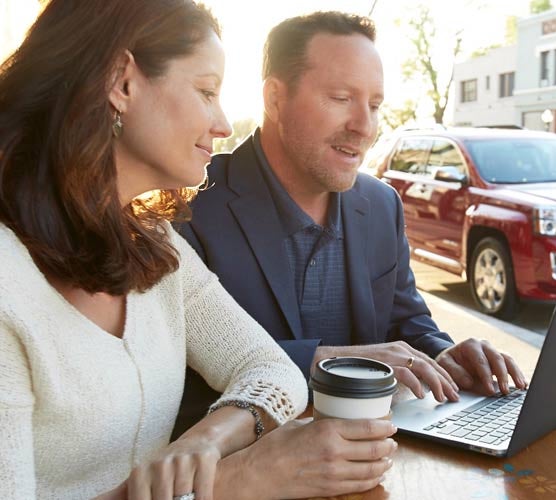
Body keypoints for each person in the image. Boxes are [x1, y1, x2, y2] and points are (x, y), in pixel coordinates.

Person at [0, 1, 395, 499]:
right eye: (206, 91)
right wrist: (234, 480)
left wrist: (205, 444)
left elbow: (271, 369)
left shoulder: (154, 247)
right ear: (122, 83)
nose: (224, 124)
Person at [175, 11, 527, 435]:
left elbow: (407, 324)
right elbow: (182, 370)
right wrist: (347, 362)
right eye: (341, 98)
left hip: (376, 453)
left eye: (375, 105)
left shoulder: (381, 205)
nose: (365, 127)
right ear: (274, 99)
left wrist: (443, 353)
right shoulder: (188, 202)